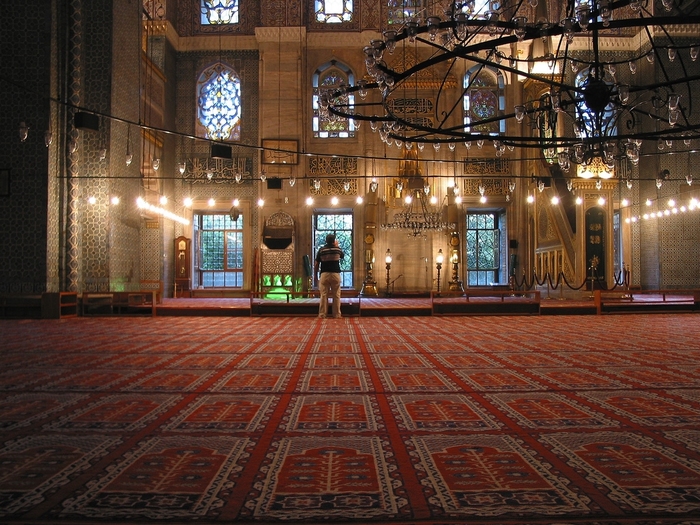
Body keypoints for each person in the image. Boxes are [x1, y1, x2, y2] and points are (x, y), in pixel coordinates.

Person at [314, 233, 345, 319]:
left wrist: (315, 275)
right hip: (335, 274)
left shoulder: (321, 250)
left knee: (323, 295)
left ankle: (322, 314)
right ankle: (337, 314)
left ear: (326, 241)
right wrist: (337, 245)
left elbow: (316, 264)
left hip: (324, 274)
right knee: (336, 295)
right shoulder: (337, 249)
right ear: (334, 241)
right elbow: (342, 256)